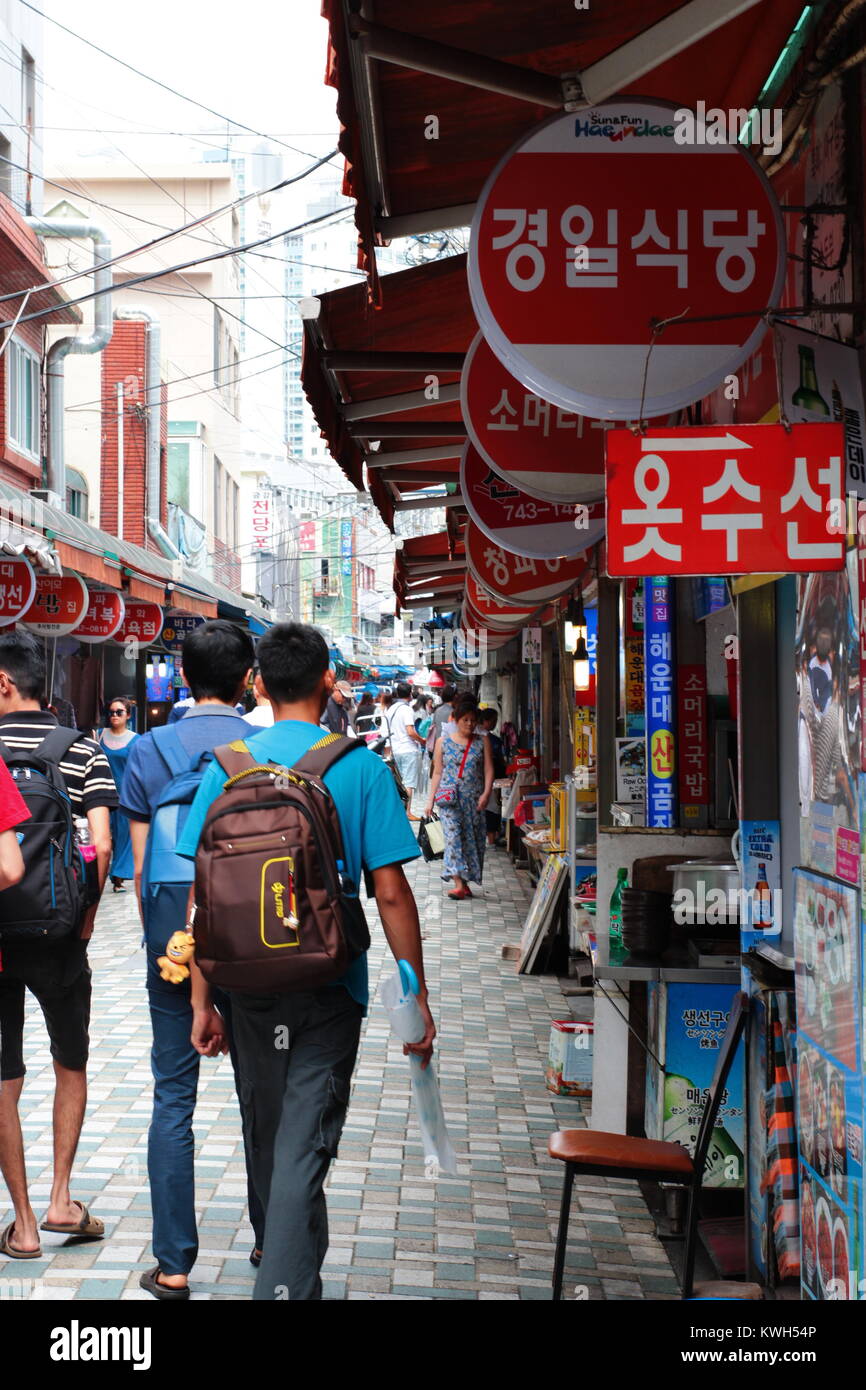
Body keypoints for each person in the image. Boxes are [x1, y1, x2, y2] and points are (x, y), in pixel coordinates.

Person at [177, 622, 435, 1301]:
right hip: (328, 983)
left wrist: (202, 1004)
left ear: (257, 685)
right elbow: (391, 892)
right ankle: (286, 1288)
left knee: (271, 1131)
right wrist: (415, 996)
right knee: (302, 1138)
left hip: (246, 986)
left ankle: (291, 1272)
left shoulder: (227, 766)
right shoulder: (358, 767)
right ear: (329, 681)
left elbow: (205, 900)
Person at [120, 619, 265, 1300]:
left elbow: (146, 860)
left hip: (172, 936)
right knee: (262, 1093)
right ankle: (272, 1237)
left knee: (172, 1094)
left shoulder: (149, 748)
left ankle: (174, 1263)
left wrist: (162, 934)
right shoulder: (265, 746)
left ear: (183, 676)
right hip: (255, 931)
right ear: (248, 680)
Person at [0, 630, 115, 1259]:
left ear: (4, 682)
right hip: (61, 931)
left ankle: (20, 1224)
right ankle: (60, 1198)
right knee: (69, 1058)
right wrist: (89, 912)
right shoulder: (82, 750)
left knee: (2, 1073)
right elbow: (102, 844)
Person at [425, 694, 493, 900]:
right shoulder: (442, 742)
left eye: (473, 720)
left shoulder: (482, 742)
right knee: (453, 838)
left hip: (473, 800)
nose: (470, 724)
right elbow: (437, 772)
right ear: (456, 719)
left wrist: (486, 793)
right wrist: (429, 801)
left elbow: (489, 769)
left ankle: (464, 882)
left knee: (472, 840)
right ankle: (457, 882)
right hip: (449, 800)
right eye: (466, 720)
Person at [98, 696, 139, 891]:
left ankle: (118, 875)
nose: (114, 715)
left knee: (124, 835)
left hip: (126, 793)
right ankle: (109, 872)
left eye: (119, 712)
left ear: (128, 715)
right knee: (104, 835)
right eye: (111, 712)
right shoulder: (98, 735)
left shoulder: (136, 740)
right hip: (102, 791)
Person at [386, 680, 427, 819]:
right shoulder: (406, 709)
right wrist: (422, 740)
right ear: (410, 694)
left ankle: (398, 811)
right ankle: (407, 812)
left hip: (395, 750)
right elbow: (410, 731)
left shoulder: (390, 709)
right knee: (409, 782)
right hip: (408, 749)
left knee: (399, 782)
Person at [478, 707, 506, 846]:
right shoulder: (489, 739)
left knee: (491, 807)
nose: (495, 724)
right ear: (486, 720)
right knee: (492, 807)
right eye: (494, 721)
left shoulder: (491, 739)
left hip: (488, 779)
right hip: (489, 779)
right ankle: (491, 839)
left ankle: (490, 838)